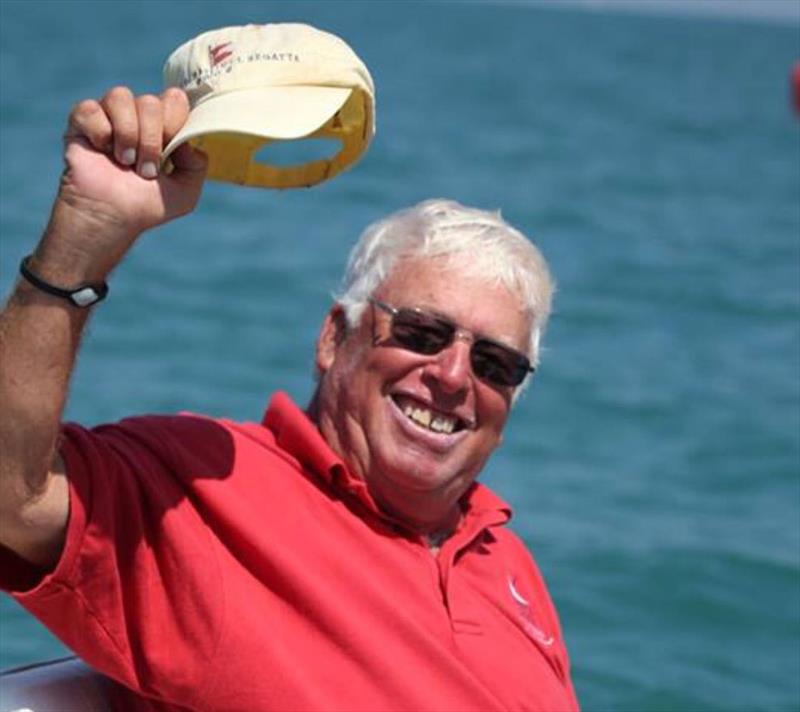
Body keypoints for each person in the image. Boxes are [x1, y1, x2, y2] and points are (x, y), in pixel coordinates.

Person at [0, 87, 580, 711]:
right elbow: (14, 497)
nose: (454, 375)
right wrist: (82, 241)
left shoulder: (505, 558)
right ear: (334, 337)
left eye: (495, 363)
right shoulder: (202, 489)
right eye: (421, 333)